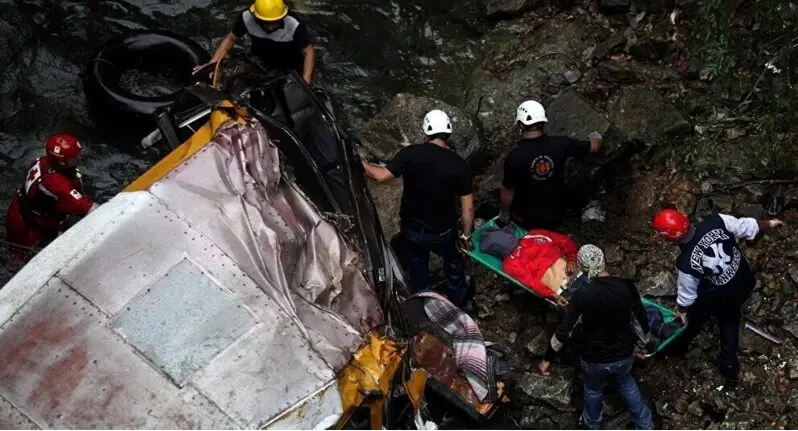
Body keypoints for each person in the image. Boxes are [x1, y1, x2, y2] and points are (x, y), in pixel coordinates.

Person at [652, 208, 784, 385]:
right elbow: (746, 226)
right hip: (743, 278)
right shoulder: (716, 220)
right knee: (728, 314)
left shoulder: (686, 263)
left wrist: (681, 313)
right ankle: (728, 366)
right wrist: (769, 223)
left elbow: (686, 296)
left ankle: (720, 362)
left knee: (721, 320)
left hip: (722, 295)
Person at [361, 110, 474, 307]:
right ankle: (460, 303)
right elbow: (468, 208)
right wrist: (466, 236)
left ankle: (426, 306)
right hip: (444, 231)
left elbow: (380, 176)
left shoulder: (410, 154)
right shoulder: (458, 164)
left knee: (418, 269)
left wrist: (360, 163)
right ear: (448, 133)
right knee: (453, 265)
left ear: (426, 132)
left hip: (413, 229)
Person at [539, 244, 654, 430]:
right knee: (627, 383)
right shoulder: (626, 286)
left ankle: (593, 425)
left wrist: (547, 358)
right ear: (603, 261)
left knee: (593, 389)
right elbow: (639, 320)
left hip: (594, 358)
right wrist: (644, 346)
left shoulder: (582, 295)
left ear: (583, 269)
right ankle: (645, 424)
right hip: (623, 354)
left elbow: (565, 331)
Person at [499, 100, 602, 230]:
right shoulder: (561, 144)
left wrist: (504, 214)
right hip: (555, 215)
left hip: (526, 219)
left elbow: (507, 192)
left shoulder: (514, 157)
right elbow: (594, 145)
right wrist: (596, 136)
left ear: (521, 125)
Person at [5, 134, 97, 260]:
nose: (77, 159)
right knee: (21, 259)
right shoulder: (56, 183)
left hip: (21, 208)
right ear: (61, 162)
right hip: (29, 226)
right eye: (73, 158)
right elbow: (88, 208)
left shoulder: (43, 161)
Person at [194, 0, 316, 84]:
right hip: (260, 60)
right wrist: (213, 62)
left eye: (275, 21)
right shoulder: (246, 18)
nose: (270, 26)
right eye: (266, 22)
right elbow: (231, 38)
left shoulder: (294, 26)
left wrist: (306, 80)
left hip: (290, 64)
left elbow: (308, 51)